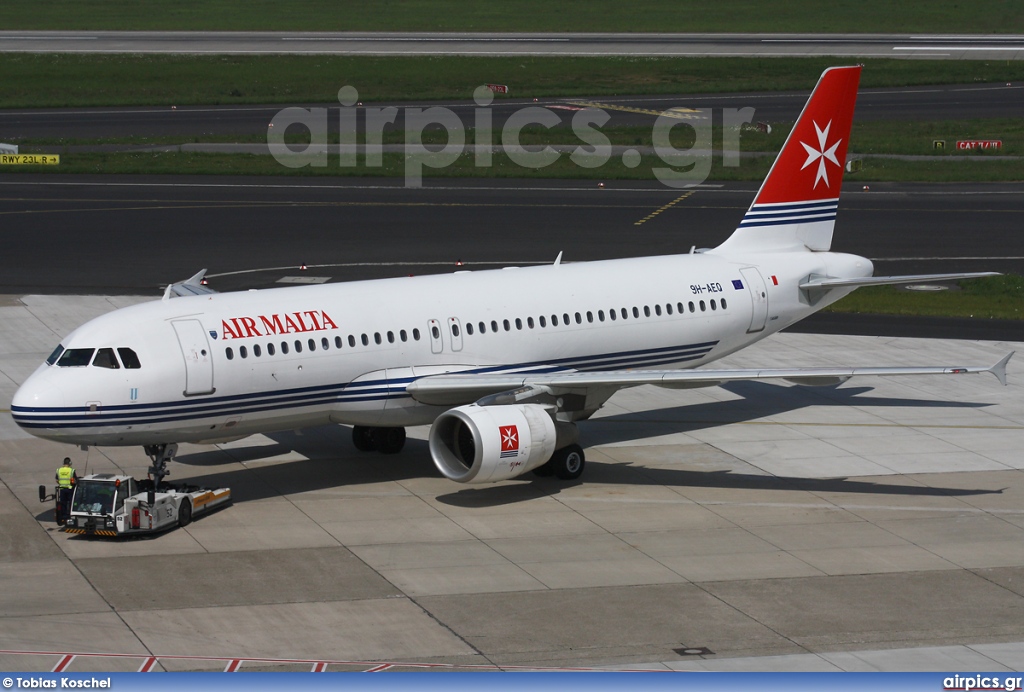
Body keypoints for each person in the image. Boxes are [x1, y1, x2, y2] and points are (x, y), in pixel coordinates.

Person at [55, 457, 77, 525]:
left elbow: (57, 480)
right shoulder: (71, 470)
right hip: (69, 489)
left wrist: (62, 483)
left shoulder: (59, 470)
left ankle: (64, 516)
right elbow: (74, 480)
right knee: (71, 503)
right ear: (70, 463)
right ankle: (70, 515)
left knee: (63, 503)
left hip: (62, 489)